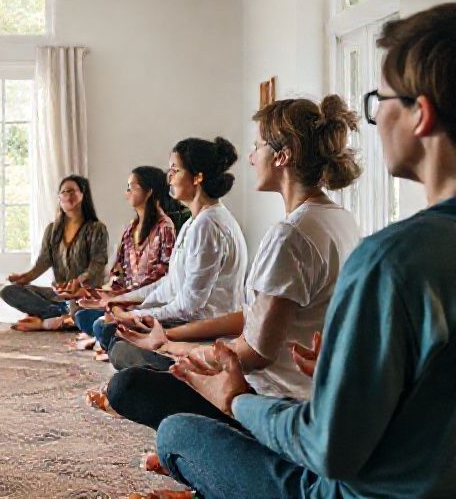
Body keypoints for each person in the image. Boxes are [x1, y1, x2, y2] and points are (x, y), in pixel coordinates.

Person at [154, 4, 456, 498]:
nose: (376, 120)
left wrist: (237, 402)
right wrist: (345, 366)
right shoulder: (362, 233)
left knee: (178, 434)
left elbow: (330, 449)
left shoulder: (395, 258)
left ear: (420, 114)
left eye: (381, 101)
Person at [104, 95, 363, 433]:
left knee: (128, 388)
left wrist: (174, 347)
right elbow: (255, 317)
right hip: (306, 395)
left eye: (257, 147)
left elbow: (255, 354)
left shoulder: (290, 235)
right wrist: (170, 341)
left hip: (270, 403)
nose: (252, 157)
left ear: (282, 156)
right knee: (134, 355)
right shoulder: (339, 219)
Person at [84, 137, 248, 373]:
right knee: (103, 325)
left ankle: (178, 370)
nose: (168, 177)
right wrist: (124, 304)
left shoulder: (208, 225)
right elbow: (170, 284)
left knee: (111, 335)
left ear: (197, 177)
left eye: (175, 169)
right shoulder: (196, 221)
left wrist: (137, 315)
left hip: (202, 331)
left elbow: (190, 306)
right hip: (185, 320)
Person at [71, 167, 181, 351]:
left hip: (146, 303)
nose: (126, 192)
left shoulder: (165, 228)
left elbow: (163, 278)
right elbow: (118, 272)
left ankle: (111, 334)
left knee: (99, 326)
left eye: (132, 187)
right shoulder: (130, 229)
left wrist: (120, 299)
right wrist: (102, 293)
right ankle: (111, 331)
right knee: (79, 312)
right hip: (121, 301)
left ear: (149, 192)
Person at [4, 175, 109, 332]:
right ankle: (56, 314)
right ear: (59, 197)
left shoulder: (96, 228)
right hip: (58, 295)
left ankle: (58, 317)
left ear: (83, 195)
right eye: (64, 192)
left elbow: (97, 265)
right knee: (9, 291)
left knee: (81, 313)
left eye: (72, 191)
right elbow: (43, 262)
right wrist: (25, 277)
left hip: (83, 294)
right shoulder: (52, 229)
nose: (68, 196)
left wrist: (78, 282)